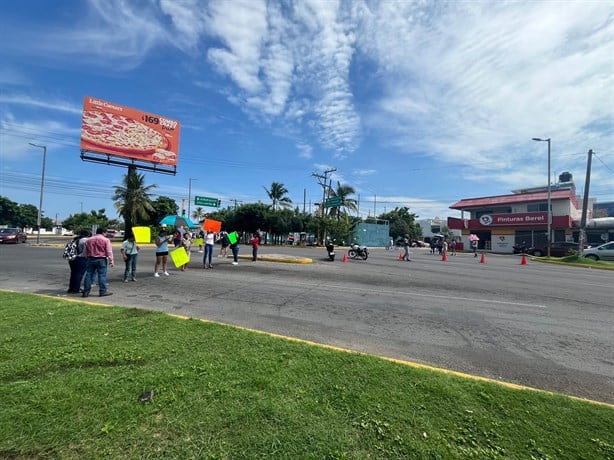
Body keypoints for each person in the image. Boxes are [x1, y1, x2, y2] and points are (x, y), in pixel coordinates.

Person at [82, 228, 114, 297]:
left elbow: (85, 251)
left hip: (90, 258)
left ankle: (86, 292)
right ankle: (102, 291)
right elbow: (109, 251)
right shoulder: (106, 240)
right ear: (103, 232)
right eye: (106, 233)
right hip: (101, 259)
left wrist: (86, 257)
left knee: (88, 275)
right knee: (102, 275)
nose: (106, 234)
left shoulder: (88, 240)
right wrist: (111, 260)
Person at [67, 229, 91, 294]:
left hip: (72, 258)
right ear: (88, 234)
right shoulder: (86, 240)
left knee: (73, 274)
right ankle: (76, 289)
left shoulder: (74, 239)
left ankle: (71, 288)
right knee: (79, 274)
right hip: (81, 258)